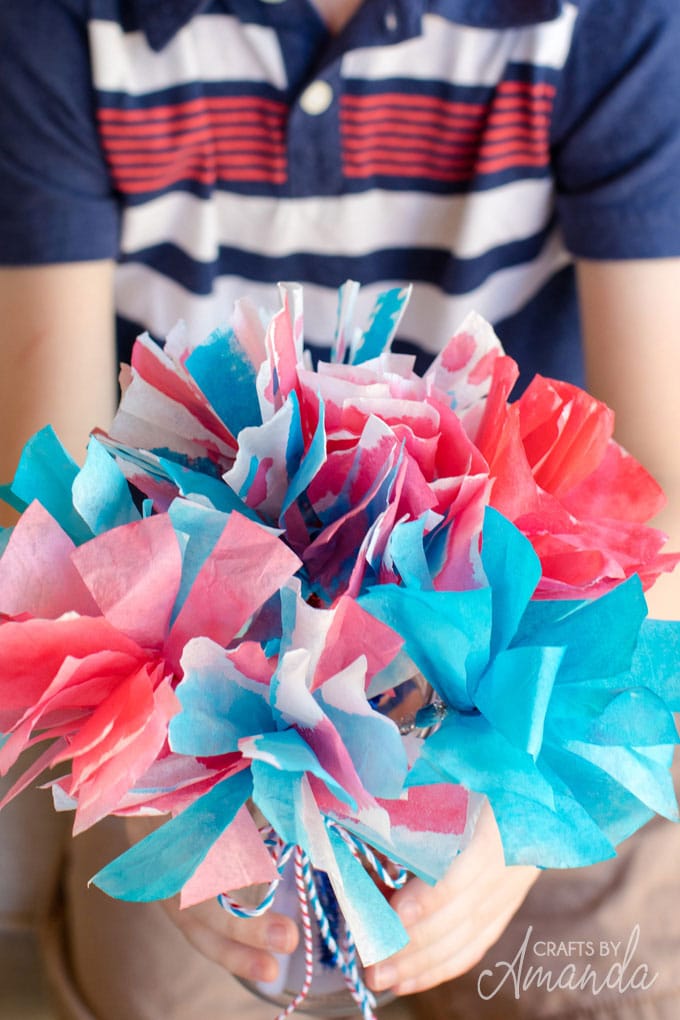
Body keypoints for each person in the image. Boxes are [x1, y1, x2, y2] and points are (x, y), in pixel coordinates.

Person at [0, 1, 679, 1018]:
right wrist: (146, 784)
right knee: (155, 997)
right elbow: (41, 501)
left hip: (528, 653)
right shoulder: (60, 22)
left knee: (608, 989)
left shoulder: (602, 19)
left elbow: (657, 481)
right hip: (182, 671)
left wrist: (526, 806)